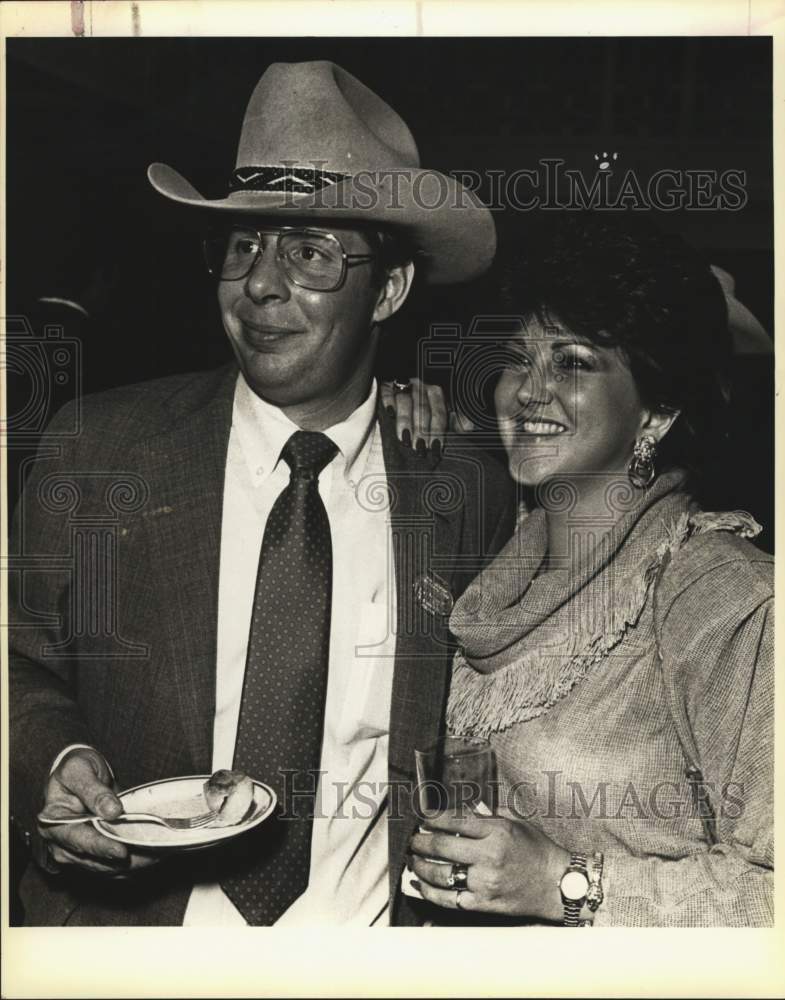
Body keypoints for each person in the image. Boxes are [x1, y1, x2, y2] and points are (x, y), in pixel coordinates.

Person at [8, 60, 515, 926]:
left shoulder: (468, 488)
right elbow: (16, 662)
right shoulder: (100, 448)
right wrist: (55, 764)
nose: (260, 284)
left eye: (310, 251)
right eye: (243, 245)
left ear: (388, 289)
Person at [400, 212, 773, 926]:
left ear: (656, 411)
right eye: (518, 358)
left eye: (571, 362)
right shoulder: (488, 558)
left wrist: (563, 884)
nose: (526, 392)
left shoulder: (725, 598)